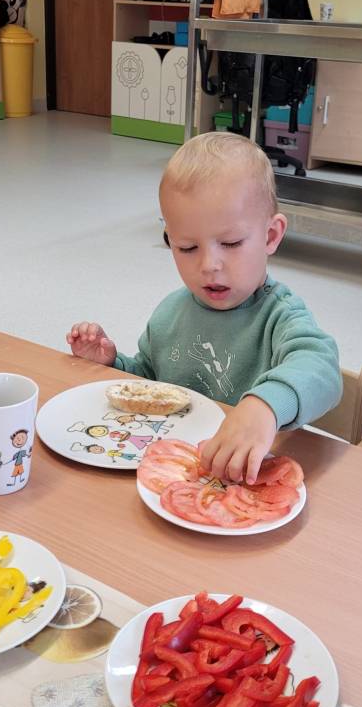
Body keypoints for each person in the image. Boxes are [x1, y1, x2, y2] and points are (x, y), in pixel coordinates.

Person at [67, 132, 342, 485]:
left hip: (244, 479)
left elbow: (321, 367)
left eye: (230, 243)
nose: (209, 265)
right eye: (187, 248)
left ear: (271, 236)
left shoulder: (281, 316)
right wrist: (113, 366)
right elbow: (150, 382)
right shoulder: (170, 313)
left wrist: (265, 406)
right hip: (176, 472)